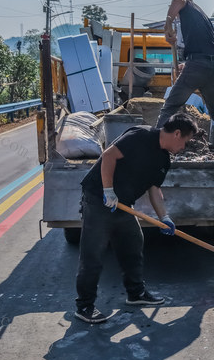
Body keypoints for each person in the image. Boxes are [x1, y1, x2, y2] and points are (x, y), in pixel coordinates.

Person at [74, 113, 198, 323]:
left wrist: (165, 217)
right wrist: (108, 190)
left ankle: (136, 293)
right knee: (93, 254)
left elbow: (154, 189)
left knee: (133, 244)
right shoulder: (141, 136)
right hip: (98, 198)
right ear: (177, 133)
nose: (184, 148)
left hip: (123, 205)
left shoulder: (164, 159)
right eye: (185, 142)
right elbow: (109, 156)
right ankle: (84, 306)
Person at [156, 0, 214, 159]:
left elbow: (178, 0)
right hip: (212, 67)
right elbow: (203, 50)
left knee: (170, 107)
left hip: (197, 66)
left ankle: (154, 145)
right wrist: (187, 65)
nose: (177, 16)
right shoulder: (201, 18)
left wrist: (168, 23)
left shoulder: (186, 5)